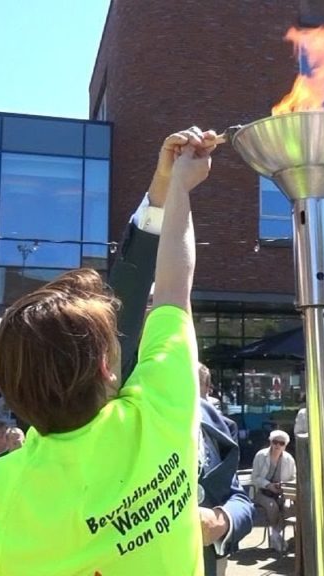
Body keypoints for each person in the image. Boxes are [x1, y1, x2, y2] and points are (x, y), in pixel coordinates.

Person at [0, 129, 213, 576]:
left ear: (12, 388)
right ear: (108, 367)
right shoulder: (158, 418)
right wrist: (180, 185)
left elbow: (169, 293)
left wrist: (169, 185)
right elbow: (172, 290)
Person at [107, 128, 253, 575]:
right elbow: (138, 292)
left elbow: (239, 495)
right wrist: (168, 187)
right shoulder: (121, 401)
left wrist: (223, 520)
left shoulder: (218, 424)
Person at [252, 430, 297, 552]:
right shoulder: (260, 456)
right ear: (270, 442)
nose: (277, 445)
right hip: (262, 492)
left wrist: (283, 485)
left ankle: (276, 535)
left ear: (285, 445)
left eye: (281, 443)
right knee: (272, 507)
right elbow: (254, 478)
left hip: (282, 493)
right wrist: (268, 485)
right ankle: (277, 536)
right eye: (275, 442)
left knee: (288, 508)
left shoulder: (289, 459)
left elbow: (294, 478)